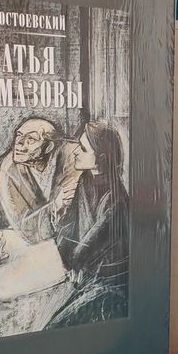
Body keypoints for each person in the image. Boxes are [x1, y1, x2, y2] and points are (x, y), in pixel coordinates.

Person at [47, 122, 130, 327]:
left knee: (57, 326)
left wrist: (74, 264)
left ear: (101, 160)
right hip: (85, 274)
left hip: (110, 284)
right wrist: (59, 214)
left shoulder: (117, 199)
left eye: (83, 149)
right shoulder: (86, 180)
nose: (75, 152)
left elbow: (92, 242)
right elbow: (70, 224)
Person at [0, 117, 80, 244]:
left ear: (48, 147)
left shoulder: (75, 155)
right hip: (39, 244)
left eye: (31, 139)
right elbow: (24, 227)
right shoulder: (8, 168)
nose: (19, 143)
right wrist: (56, 205)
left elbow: (77, 217)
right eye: (19, 135)